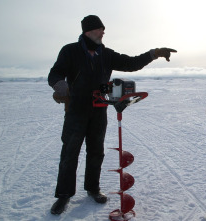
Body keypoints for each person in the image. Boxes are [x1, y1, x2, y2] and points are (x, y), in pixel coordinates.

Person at [48, 15, 176, 215]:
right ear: (88, 31)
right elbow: (54, 73)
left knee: (96, 151)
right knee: (69, 154)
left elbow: (131, 63)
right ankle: (63, 195)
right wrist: (61, 85)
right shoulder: (70, 51)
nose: (103, 32)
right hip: (76, 111)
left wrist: (154, 53)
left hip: (99, 109)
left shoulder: (105, 54)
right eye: (100, 29)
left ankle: (92, 188)